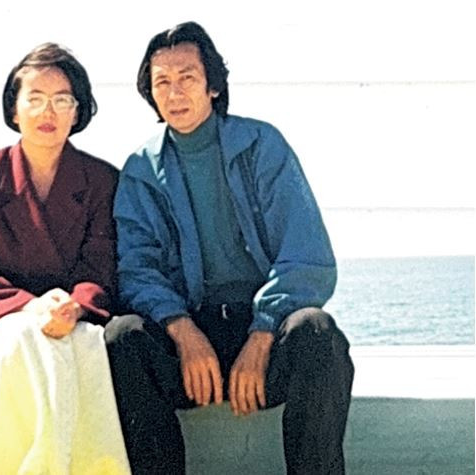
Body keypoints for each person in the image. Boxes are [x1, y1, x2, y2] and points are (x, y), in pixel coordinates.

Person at [105, 21, 354, 474]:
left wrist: (262, 334)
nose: (175, 93)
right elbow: (137, 270)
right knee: (123, 337)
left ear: (213, 86)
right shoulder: (140, 170)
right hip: (190, 341)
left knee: (317, 332)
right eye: (162, 82)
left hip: (263, 333)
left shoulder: (262, 145)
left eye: (187, 78)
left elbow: (308, 256)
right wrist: (183, 332)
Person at [0, 43, 130, 474]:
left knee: (85, 346)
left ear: (78, 110)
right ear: (13, 110)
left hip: (76, 322)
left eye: (62, 99)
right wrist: (31, 307)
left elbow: (102, 267)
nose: (47, 112)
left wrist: (76, 306)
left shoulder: (101, 180)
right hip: (0, 328)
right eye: (34, 98)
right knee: (24, 340)